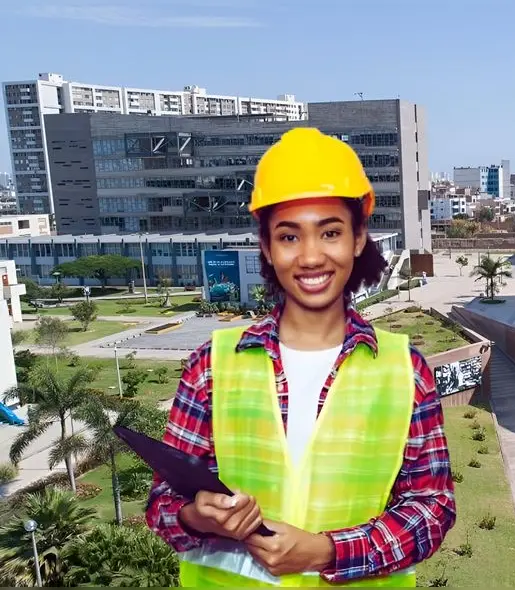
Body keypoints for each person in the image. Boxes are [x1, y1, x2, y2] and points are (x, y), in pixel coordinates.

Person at [145, 128, 455, 587]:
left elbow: (432, 509)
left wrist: (328, 550)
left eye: (329, 232)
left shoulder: (405, 371)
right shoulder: (211, 365)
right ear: (267, 249)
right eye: (289, 237)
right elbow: (161, 506)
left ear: (357, 239)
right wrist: (196, 516)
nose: (311, 257)